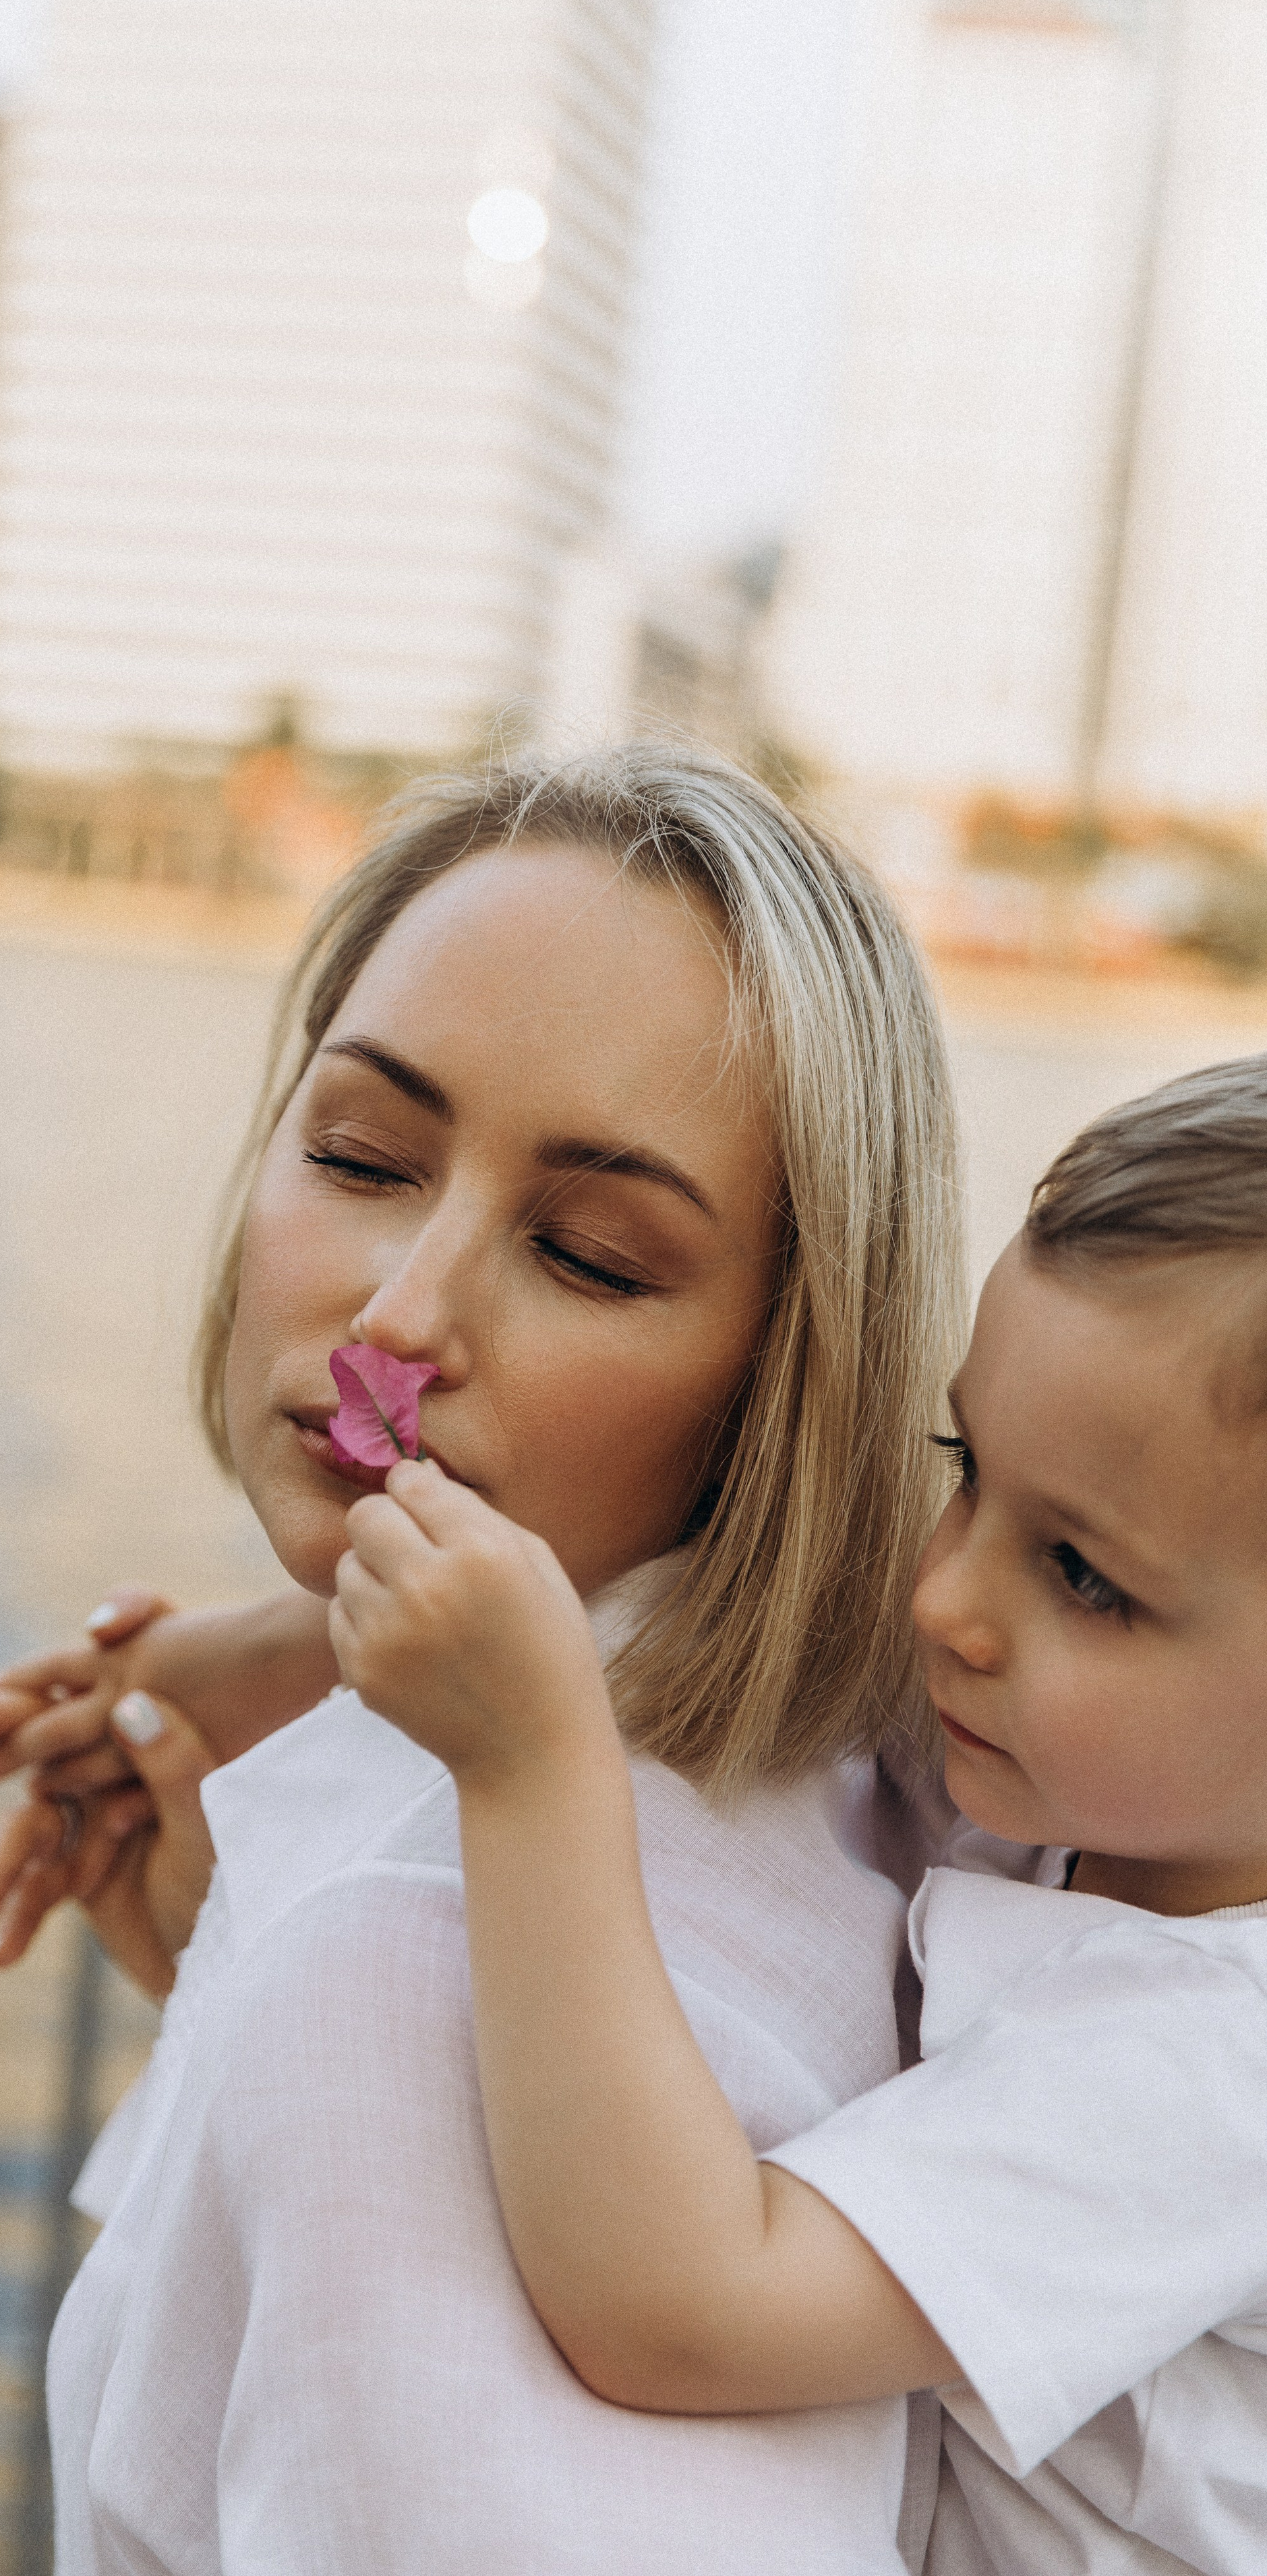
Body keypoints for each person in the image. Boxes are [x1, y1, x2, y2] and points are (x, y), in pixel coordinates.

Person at [0, 745, 968, 2573]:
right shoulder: (842, 1807)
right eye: (363, 1157)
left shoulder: (431, 1953)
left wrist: (327, 2011)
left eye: (590, 1255)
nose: (399, 1321)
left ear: (791, 1374)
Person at [327, 1054, 1267, 2576]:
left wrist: (530, 1773)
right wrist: (247, 1653)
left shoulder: (1214, 2076)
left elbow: (679, 2310)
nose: (945, 1596)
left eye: (1083, 1577)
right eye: (966, 1474)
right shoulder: (1132, 1798)